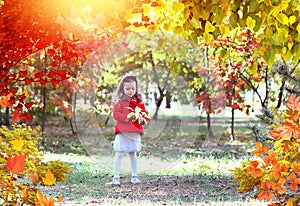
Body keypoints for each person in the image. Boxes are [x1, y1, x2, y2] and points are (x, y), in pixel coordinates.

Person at [111, 74, 149, 185]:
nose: (130, 91)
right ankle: (116, 176)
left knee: (133, 154)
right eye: (127, 88)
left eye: (133, 88)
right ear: (122, 88)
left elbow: (144, 114)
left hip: (134, 132)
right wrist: (127, 117)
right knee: (119, 153)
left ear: (136, 88)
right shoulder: (119, 102)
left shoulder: (139, 102)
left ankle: (134, 176)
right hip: (122, 132)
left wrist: (141, 118)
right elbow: (116, 115)